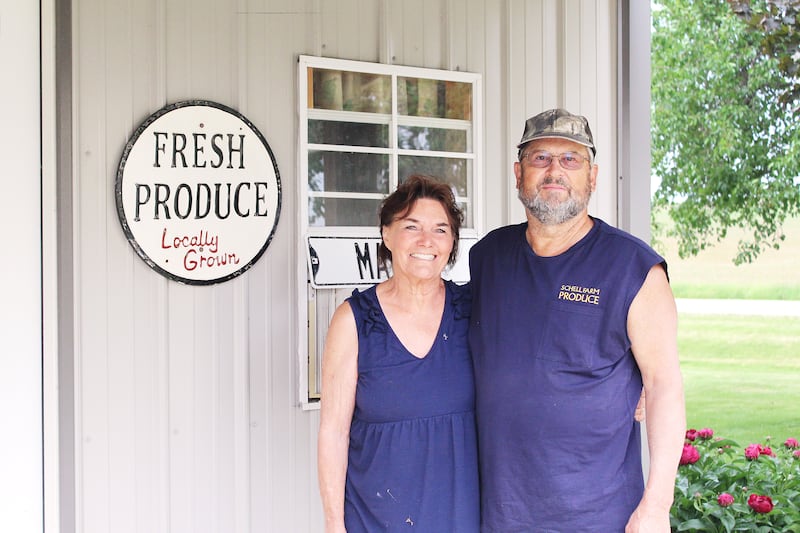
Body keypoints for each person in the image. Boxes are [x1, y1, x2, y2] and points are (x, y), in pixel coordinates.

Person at [469, 109, 686, 532]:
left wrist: (657, 505)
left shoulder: (634, 268)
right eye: (540, 158)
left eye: (571, 159)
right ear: (518, 173)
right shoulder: (489, 257)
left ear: (593, 176)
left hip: (597, 516)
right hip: (500, 513)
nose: (555, 171)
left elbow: (664, 385)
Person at [317, 175, 479, 532]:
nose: (426, 240)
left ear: (452, 242)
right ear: (387, 234)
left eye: (440, 229)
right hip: (375, 518)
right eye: (411, 226)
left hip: (461, 516)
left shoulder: (473, 310)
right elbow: (333, 432)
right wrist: (334, 523)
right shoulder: (355, 320)